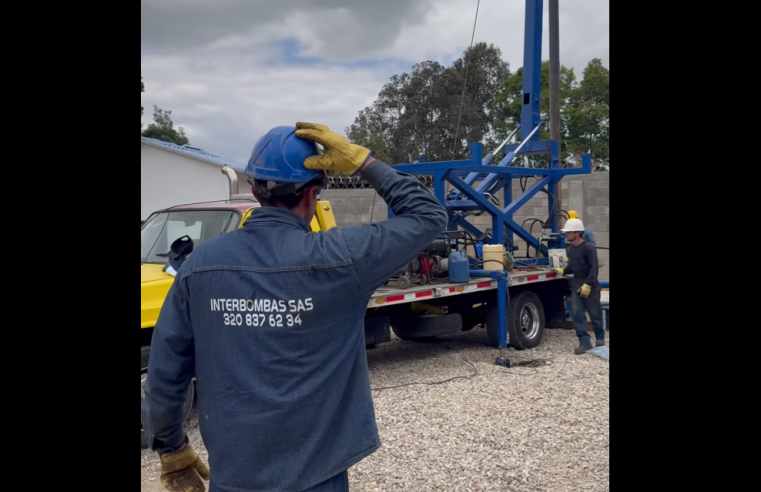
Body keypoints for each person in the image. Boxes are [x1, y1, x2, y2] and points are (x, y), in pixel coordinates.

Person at [141, 122, 448, 492]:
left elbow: (166, 369)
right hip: (317, 477)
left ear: (254, 190)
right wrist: (363, 162)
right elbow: (428, 216)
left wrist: (171, 447)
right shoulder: (341, 259)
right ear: (312, 194)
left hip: (234, 477)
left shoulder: (199, 265)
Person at [554, 217, 605, 354]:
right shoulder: (572, 248)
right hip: (577, 284)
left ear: (577, 233)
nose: (566, 234)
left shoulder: (589, 247)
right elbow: (573, 266)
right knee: (577, 314)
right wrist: (564, 271)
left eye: (569, 232)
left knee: (595, 314)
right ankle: (584, 342)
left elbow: (594, 269)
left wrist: (588, 284)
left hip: (591, 286)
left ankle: (600, 339)